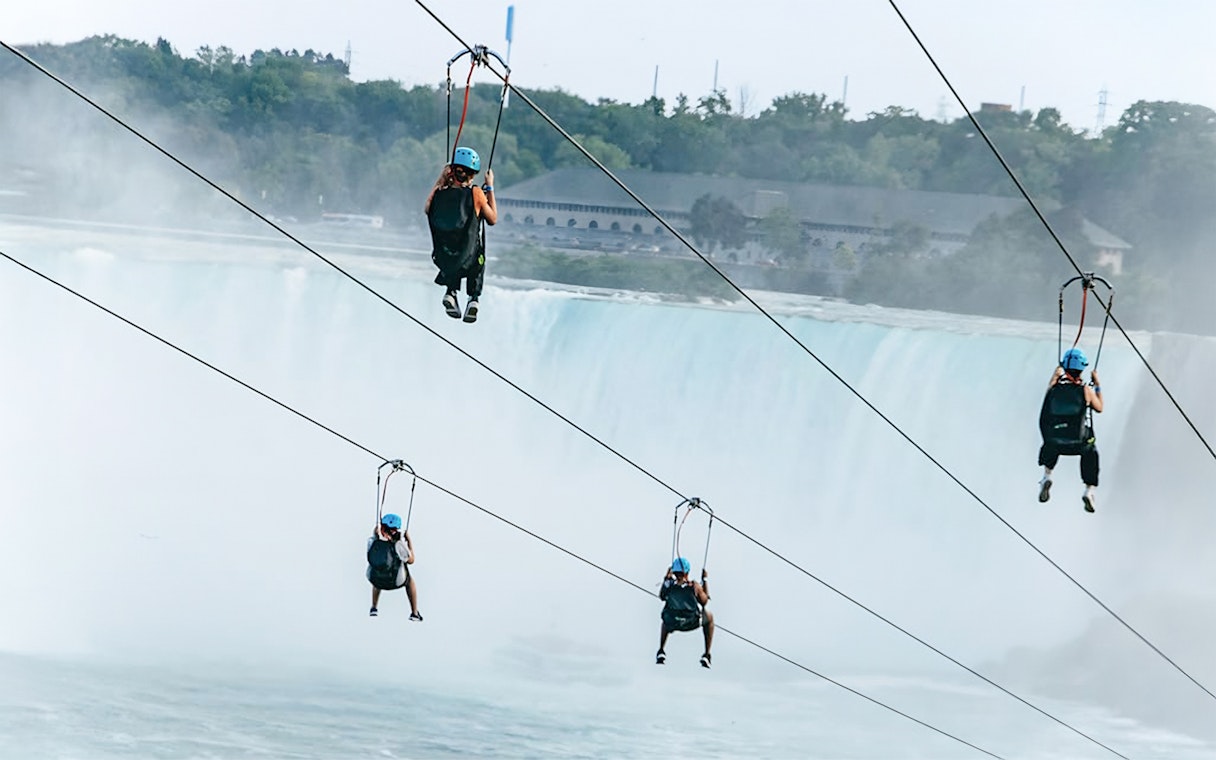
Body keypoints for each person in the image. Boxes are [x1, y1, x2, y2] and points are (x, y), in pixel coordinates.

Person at [425, 146, 497, 324]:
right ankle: (473, 298)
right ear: (472, 175)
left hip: (443, 259)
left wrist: (441, 179)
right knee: (478, 259)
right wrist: (490, 187)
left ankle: (451, 292)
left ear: (452, 171)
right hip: (470, 261)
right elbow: (492, 219)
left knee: (454, 257)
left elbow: (427, 208)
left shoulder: (438, 195)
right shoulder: (476, 194)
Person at [1038, 347, 1104, 513]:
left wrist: (1055, 376)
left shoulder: (1053, 390)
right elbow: (1100, 408)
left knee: (1051, 439)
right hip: (1078, 444)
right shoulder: (1085, 391)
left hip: (1055, 444)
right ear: (1081, 369)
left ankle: (1047, 476)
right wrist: (1097, 385)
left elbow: (1049, 391)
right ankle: (1089, 490)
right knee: (1091, 450)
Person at [655, 557, 714, 669]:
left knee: (666, 617)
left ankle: (661, 650)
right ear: (687, 572)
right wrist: (704, 580)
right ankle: (707, 654)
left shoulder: (669, 584)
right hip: (691, 622)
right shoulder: (694, 586)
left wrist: (666, 578)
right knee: (709, 617)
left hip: (673, 623)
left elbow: (662, 596)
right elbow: (704, 601)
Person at [366, 512, 422, 621]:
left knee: (378, 569)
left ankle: (374, 607)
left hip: (376, 579)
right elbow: (411, 560)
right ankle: (414, 613)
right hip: (395, 581)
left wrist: (376, 534)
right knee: (410, 581)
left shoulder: (372, 542)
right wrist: (409, 541)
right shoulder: (398, 544)